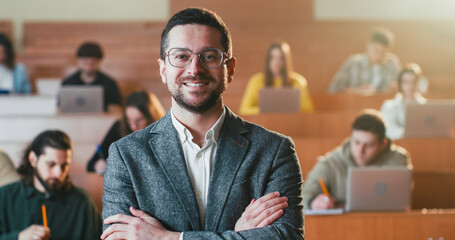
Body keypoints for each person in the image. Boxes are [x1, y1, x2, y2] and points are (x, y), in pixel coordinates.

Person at [101, 8, 303, 240]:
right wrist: (236, 235)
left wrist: (166, 238)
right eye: (181, 56)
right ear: (163, 69)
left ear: (230, 68)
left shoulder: (275, 150)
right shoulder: (125, 155)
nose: (195, 69)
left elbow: (286, 237)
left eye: (209, 56)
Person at [0, 130, 102, 240]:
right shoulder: (5, 196)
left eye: (64, 166)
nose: (58, 173)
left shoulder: (82, 202)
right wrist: (18, 237)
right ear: (33, 159)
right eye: (51, 164)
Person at [302, 109, 412, 210]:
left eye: (369, 145)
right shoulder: (330, 162)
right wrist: (313, 202)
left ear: (383, 144)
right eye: (356, 142)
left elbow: (402, 201)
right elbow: (304, 195)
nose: (360, 150)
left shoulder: (398, 161)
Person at [87, 90, 166, 174]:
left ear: (151, 117)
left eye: (139, 120)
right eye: (129, 120)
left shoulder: (164, 132)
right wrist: (98, 165)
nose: (133, 126)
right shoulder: (119, 127)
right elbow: (90, 164)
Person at [239, 41, 314, 115]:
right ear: (268, 60)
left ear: (286, 60)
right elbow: (244, 110)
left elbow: (309, 111)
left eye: (281, 58)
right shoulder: (256, 81)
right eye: (273, 58)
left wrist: (290, 111)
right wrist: (265, 110)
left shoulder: (298, 81)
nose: (276, 62)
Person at [328, 28, 401, 95]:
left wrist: (392, 90)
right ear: (368, 45)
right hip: (354, 106)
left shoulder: (392, 63)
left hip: (383, 107)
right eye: (376, 51)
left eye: (383, 53)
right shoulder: (353, 63)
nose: (378, 56)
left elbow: (400, 89)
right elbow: (333, 90)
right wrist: (357, 91)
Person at [62, 41, 122, 111]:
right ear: (78, 61)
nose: (88, 66)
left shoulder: (110, 83)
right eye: (84, 62)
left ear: (99, 62)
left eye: (92, 62)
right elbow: (60, 108)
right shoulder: (68, 83)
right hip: (73, 120)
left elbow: (116, 109)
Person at [381, 63, 427, 140]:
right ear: (400, 84)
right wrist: (413, 133)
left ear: (419, 83)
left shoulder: (426, 106)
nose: (410, 86)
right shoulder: (389, 106)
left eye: (414, 82)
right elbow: (390, 131)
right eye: (406, 82)